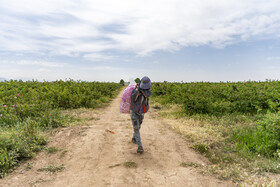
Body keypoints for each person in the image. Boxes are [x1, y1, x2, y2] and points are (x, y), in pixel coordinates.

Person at [130, 76, 152, 154]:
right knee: (136, 128)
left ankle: (134, 138)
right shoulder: (136, 91)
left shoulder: (148, 92)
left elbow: (148, 94)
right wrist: (137, 90)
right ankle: (140, 146)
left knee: (138, 127)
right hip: (134, 113)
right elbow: (132, 99)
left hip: (141, 113)